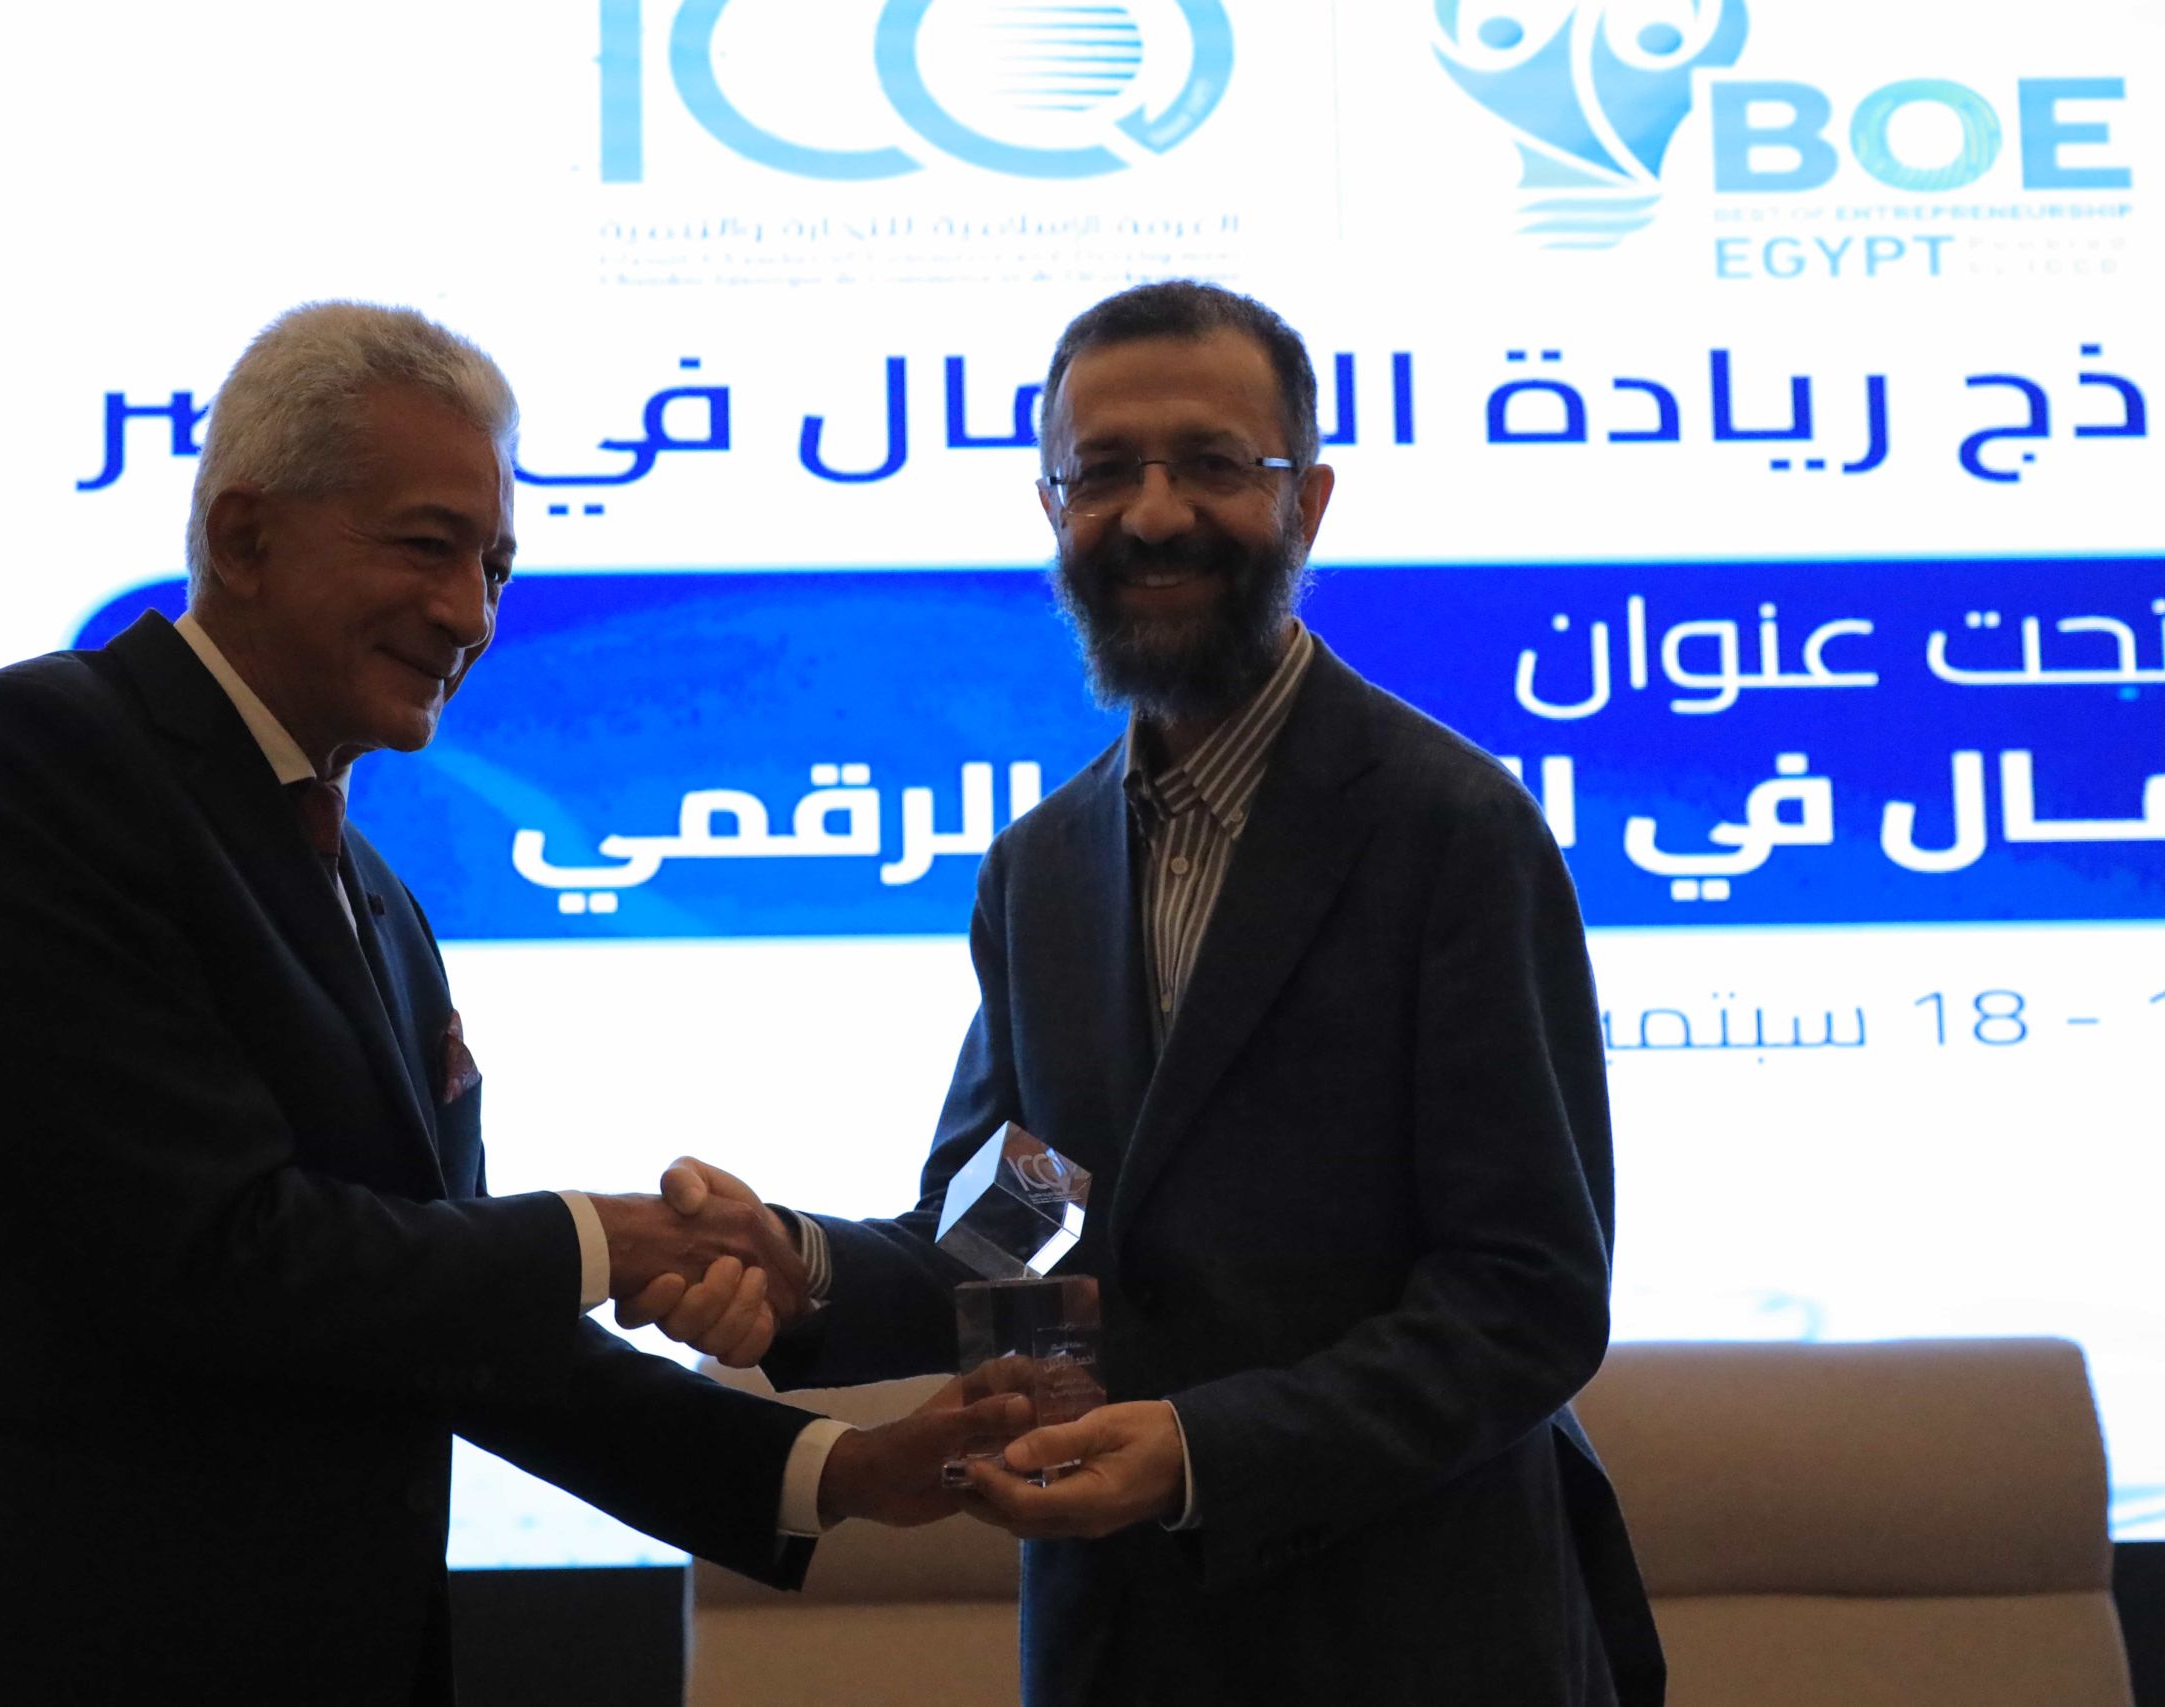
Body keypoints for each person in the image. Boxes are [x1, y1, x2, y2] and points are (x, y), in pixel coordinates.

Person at [0, 302, 1017, 1707]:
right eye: (426, 546)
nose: (471, 615)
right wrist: (606, 1238)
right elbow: (209, 1254)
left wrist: (840, 1470)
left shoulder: (378, 900)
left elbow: (446, 1325)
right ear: (244, 537)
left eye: (495, 566)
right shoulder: (44, 757)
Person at [644, 280, 1666, 1705]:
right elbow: (1009, 1232)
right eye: (1105, 472)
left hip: (1412, 1643)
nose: (1155, 513)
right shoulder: (1040, 869)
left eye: (1212, 465)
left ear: (1306, 504)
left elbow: (1527, 1300)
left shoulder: (1453, 830)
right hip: (1120, 1649)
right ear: (1052, 511)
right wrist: (802, 1265)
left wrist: (1200, 1453)